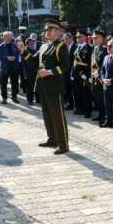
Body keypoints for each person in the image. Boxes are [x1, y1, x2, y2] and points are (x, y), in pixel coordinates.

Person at [36, 18, 70, 154]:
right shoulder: (46, 46)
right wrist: (23, 51)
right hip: (44, 86)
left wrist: (49, 72)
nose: (47, 32)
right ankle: (52, 139)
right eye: (46, 30)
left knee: (57, 116)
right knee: (47, 114)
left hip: (54, 86)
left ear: (57, 31)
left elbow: (66, 65)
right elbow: (34, 59)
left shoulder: (61, 46)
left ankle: (63, 144)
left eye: (49, 30)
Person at [70, 30, 93, 117]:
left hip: (83, 74)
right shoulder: (77, 47)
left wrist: (86, 74)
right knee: (77, 92)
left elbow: (90, 63)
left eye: (80, 37)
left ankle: (87, 111)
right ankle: (79, 108)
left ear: (85, 37)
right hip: (76, 74)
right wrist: (72, 73)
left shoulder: (89, 48)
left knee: (85, 94)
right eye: (77, 37)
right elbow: (74, 62)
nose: (78, 38)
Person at [0, 31, 20, 104]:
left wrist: (15, 58)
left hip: (14, 67)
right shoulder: (0, 46)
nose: (8, 38)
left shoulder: (15, 45)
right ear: (3, 37)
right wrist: (7, 58)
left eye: (9, 36)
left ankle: (14, 96)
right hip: (4, 68)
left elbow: (19, 53)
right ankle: (4, 98)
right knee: (3, 84)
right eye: (6, 36)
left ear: (11, 37)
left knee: (15, 83)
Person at [90, 29, 107, 125]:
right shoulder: (95, 48)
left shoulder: (105, 49)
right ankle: (101, 114)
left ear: (102, 38)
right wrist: (91, 74)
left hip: (101, 78)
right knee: (97, 97)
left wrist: (99, 74)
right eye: (93, 38)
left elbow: (105, 65)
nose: (94, 40)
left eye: (96, 38)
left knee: (102, 98)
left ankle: (105, 117)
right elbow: (92, 64)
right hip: (94, 77)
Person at [20, 37, 40, 105]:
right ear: (27, 43)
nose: (33, 43)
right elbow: (25, 62)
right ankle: (30, 100)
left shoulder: (34, 50)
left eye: (33, 42)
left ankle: (37, 99)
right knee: (30, 86)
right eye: (31, 42)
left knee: (37, 85)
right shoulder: (25, 51)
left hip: (35, 71)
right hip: (28, 71)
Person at [63, 32, 75, 110]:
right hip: (65, 72)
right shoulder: (64, 47)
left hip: (73, 72)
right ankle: (70, 104)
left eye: (67, 38)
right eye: (64, 39)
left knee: (74, 89)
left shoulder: (75, 47)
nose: (65, 40)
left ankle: (76, 105)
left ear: (71, 38)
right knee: (67, 89)